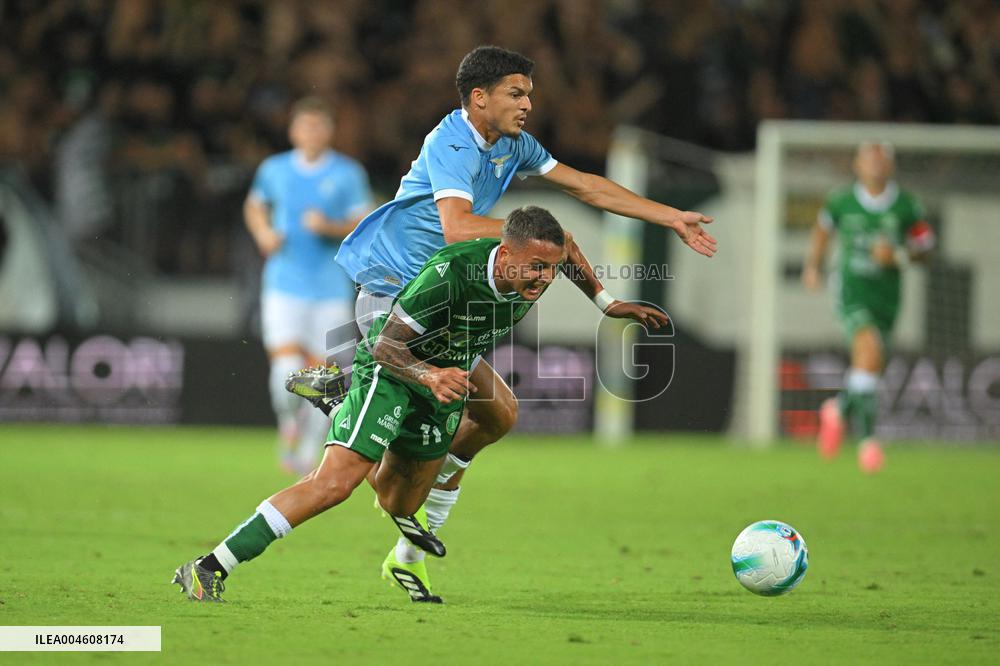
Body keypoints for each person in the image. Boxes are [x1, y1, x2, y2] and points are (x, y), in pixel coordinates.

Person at [293, 45, 715, 600]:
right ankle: (349, 399)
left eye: (529, 95)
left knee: (497, 415)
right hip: (392, 289)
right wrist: (530, 240)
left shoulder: (514, 145)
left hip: (442, 300)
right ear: (479, 98)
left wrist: (669, 217)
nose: (527, 104)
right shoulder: (450, 142)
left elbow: (586, 185)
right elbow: (456, 228)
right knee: (400, 449)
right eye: (516, 94)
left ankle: (406, 551)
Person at [173, 206, 662, 603]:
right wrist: (430, 374)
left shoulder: (534, 267)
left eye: (552, 268)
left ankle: (335, 400)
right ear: (505, 253)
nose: (545, 278)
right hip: (395, 371)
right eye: (537, 267)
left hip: (444, 381)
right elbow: (385, 344)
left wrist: (607, 303)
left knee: (399, 501)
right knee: (334, 485)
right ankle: (209, 566)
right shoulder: (448, 276)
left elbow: (570, 247)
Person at [244, 96, 373, 474]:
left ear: (329, 131)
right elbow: (254, 205)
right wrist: (263, 233)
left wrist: (329, 227)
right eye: (305, 125)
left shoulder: (348, 173)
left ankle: (308, 452)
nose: (311, 133)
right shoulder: (275, 169)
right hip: (283, 284)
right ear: (293, 130)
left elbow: (363, 222)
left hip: (331, 287)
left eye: (318, 126)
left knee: (323, 378)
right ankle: (289, 421)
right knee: (285, 370)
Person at [802, 141, 934, 473]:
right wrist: (813, 265)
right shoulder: (841, 201)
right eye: (869, 159)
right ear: (857, 165)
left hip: (887, 297)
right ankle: (869, 442)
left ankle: (837, 409)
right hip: (850, 290)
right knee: (869, 349)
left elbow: (925, 248)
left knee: (870, 365)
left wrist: (899, 256)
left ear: (890, 166)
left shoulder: (907, 206)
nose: (875, 165)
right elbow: (822, 230)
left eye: (881, 159)